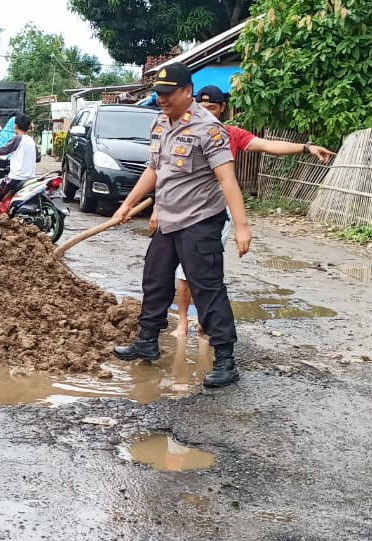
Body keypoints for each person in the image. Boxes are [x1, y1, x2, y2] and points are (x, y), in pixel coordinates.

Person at [111, 64, 252, 388]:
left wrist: (242, 226)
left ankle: (225, 360)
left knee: (207, 288)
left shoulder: (209, 128)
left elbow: (227, 179)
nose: (162, 99)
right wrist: (127, 204)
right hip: (170, 220)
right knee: (156, 281)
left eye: (168, 93)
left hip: (201, 221)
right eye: (159, 93)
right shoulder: (160, 123)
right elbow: (154, 170)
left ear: (187, 91)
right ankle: (147, 340)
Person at [168, 85, 337, 337]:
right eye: (201, 108)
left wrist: (306, 147)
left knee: (204, 271)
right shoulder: (180, 133)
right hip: (183, 211)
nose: (206, 113)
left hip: (215, 214)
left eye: (212, 108)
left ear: (222, 109)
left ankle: (204, 320)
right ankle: (182, 323)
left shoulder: (230, 135)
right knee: (182, 273)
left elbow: (268, 145)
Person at [0, 114, 36, 214]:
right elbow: (38, 158)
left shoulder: (17, 138)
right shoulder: (31, 141)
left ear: (15, 126)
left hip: (16, 177)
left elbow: (0, 151)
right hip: (30, 177)